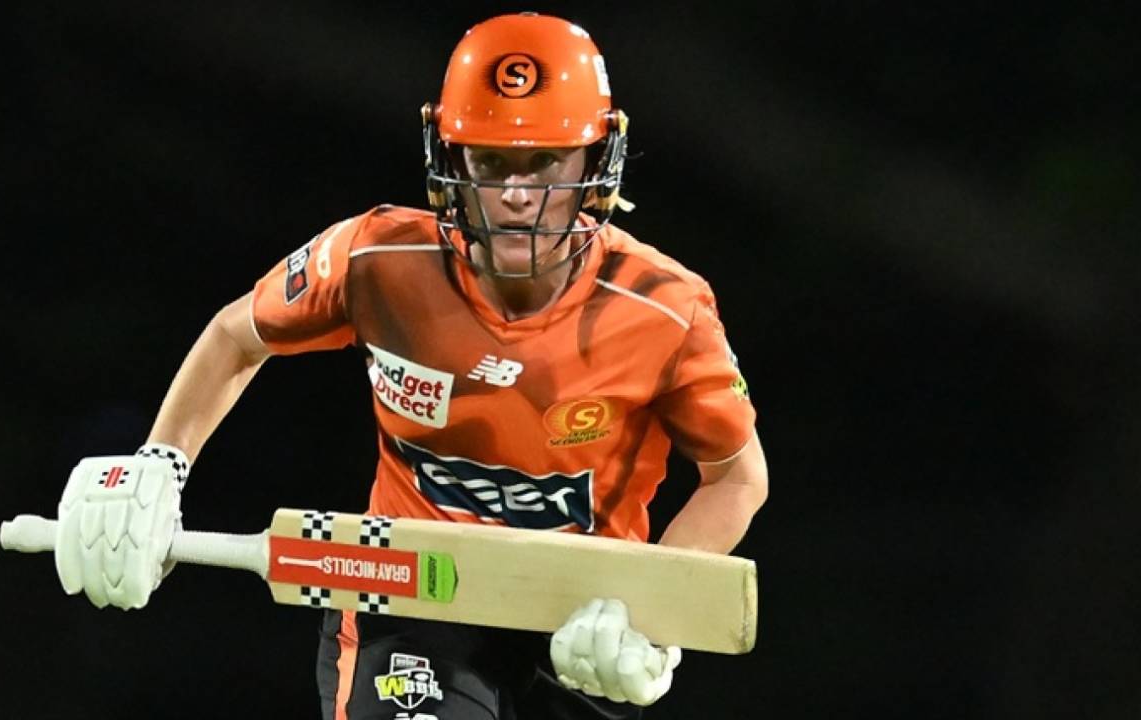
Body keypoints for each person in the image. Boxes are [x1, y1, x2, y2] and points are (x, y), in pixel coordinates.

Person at [52, 12, 768, 720]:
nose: (517, 195)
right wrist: (162, 461)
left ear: (597, 159)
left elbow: (737, 476)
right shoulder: (375, 260)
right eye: (491, 162)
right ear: (451, 159)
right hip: (409, 596)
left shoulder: (665, 308)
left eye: (545, 161)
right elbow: (237, 334)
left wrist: (648, 607)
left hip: (580, 625)